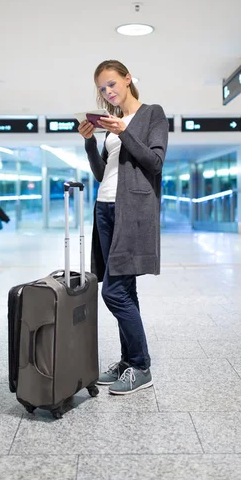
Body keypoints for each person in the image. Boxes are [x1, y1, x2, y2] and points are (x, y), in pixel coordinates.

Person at [78, 60, 168, 395]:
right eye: (102, 88)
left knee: (113, 291)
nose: (108, 91)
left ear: (128, 79)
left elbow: (154, 163)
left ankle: (142, 365)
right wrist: (91, 141)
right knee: (125, 289)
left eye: (112, 84)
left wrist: (123, 132)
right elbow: (103, 173)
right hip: (104, 208)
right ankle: (128, 361)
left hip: (131, 210)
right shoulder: (111, 126)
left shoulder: (151, 114)